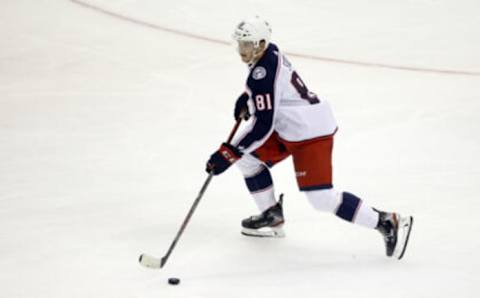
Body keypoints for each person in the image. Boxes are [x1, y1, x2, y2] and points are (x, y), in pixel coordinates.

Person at [205, 16, 413, 259]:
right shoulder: (270, 52)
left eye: (248, 44)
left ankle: (386, 221)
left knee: (321, 199)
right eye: (240, 44)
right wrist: (248, 97)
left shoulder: (262, 74)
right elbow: (275, 89)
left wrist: (228, 153)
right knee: (247, 158)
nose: (242, 50)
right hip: (290, 126)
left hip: (310, 133)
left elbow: (262, 126)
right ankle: (271, 214)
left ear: (261, 43)